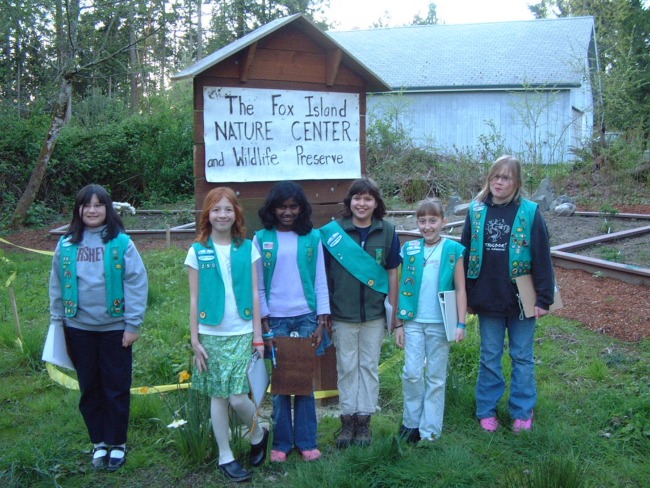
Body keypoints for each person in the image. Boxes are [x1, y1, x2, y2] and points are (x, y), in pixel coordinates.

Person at [48, 184, 148, 471]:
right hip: (78, 327)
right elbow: (56, 283)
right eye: (86, 205)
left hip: (115, 330)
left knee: (116, 387)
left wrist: (132, 324)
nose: (92, 210)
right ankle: (99, 442)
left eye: (98, 205)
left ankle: (117, 442)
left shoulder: (121, 243)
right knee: (89, 387)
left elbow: (137, 283)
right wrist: (58, 320)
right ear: (78, 209)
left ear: (108, 209)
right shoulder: (66, 244)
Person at [460, 155, 554, 433]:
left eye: (507, 177)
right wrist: (465, 295)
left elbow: (541, 255)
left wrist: (544, 298)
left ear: (517, 182)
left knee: (522, 356)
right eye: (495, 176)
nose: (500, 182)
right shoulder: (476, 211)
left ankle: (522, 410)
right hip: (487, 297)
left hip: (521, 298)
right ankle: (487, 409)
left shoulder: (529, 212)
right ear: (489, 179)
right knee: (489, 355)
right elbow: (464, 255)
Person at [185, 187, 268, 483]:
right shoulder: (197, 250)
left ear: (236, 214)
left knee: (237, 398)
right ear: (208, 214)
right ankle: (225, 456)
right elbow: (194, 298)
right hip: (211, 335)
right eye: (216, 209)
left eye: (228, 209)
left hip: (243, 331)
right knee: (218, 397)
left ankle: (258, 432)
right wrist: (195, 339)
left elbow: (257, 295)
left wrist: (258, 336)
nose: (222, 215)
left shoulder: (248, 248)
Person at [320, 177, 401, 447]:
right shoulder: (333, 234)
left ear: (376, 203)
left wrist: (395, 313)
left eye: (368, 198)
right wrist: (325, 311)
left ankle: (365, 420)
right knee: (346, 368)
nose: (362, 203)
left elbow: (392, 273)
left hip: (375, 315)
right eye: (357, 198)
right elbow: (324, 276)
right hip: (342, 313)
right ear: (349, 202)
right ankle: (348, 419)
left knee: (368, 367)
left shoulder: (388, 231)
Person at [253, 181, 331, 463]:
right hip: (277, 320)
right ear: (272, 208)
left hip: (307, 317)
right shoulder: (261, 238)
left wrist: (322, 319)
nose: (288, 212)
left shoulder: (312, 237)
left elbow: (320, 279)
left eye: (293, 206)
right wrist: (265, 325)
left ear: (301, 208)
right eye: (282, 206)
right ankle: (282, 442)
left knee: (304, 382)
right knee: (282, 384)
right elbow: (258, 286)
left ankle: (307, 441)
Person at [394, 198, 467, 445]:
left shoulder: (453, 250)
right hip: (413, 321)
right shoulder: (410, 249)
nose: (427, 226)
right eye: (422, 221)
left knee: (436, 376)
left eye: (433, 221)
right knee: (412, 373)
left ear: (443, 222)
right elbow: (402, 286)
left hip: (440, 323)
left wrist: (461, 323)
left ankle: (430, 430)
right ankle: (411, 423)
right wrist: (399, 324)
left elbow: (460, 288)